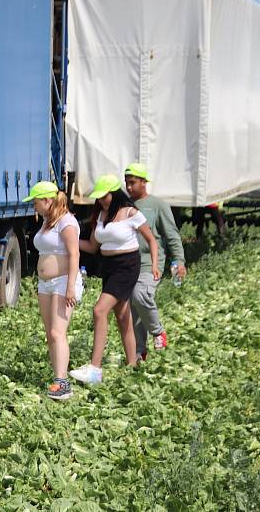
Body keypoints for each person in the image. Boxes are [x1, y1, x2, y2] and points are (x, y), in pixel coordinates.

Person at [70, 174, 160, 385]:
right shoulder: (101, 215)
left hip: (127, 267)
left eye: (105, 196)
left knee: (99, 310)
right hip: (108, 267)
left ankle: (95, 369)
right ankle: (133, 365)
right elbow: (93, 247)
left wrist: (155, 265)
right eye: (99, 197)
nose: (101, 200)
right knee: (122, 316)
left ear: (115, 193)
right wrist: (70, 240)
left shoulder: (130, 213)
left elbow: (151, 240)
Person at [22, 181, 83, 400]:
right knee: (50, 335)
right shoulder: (48, 220)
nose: (34, 207)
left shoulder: (66, 222)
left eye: (36, 202)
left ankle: (62, 382)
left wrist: (70, 287)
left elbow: (74, 254)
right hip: (45, 284)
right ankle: (57, 378)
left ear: (48, 200)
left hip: (63, 282)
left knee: (58, 333)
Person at [124, 163, 186, 360]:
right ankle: (140, 352)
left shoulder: (158, 205)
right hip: (129, 263)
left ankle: (158, 332)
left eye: (133, 182)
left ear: (144, 182)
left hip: (151, 263)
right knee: (133, 308)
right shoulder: (126, 206)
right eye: (126, 183)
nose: (129, 187)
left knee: (140, 295)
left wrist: (178, 260)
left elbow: (172, 235)